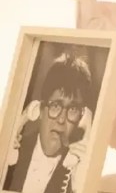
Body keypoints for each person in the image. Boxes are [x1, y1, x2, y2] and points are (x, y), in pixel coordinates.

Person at [4, 52, 93, 193]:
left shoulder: (75, 169)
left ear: (81, 119)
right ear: (39, 110)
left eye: (73, 109)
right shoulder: (11, 152)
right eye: (56, 106)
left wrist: (81, 186)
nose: (61, 119)